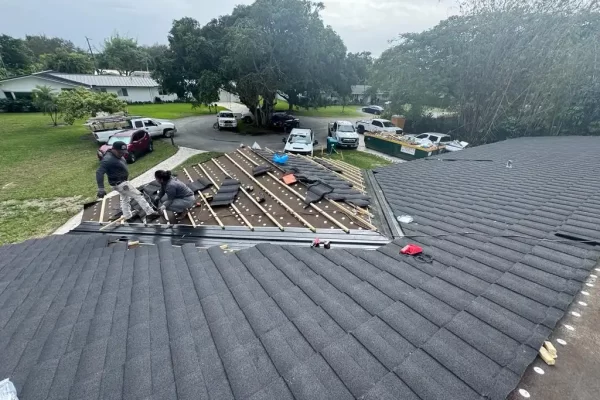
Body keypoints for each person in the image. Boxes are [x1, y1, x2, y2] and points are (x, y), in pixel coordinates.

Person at [96, 141, 157, 221]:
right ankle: (150, 213)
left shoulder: (117, 155)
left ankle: (128, 216)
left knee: (125, 199)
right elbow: (99, 172)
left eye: (123, 152)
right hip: (120, 184)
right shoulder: (107, 160)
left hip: (120, 182)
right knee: (138, 195)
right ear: (114, 150)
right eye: (120, 152)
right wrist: (101, 188)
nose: (122, 154)